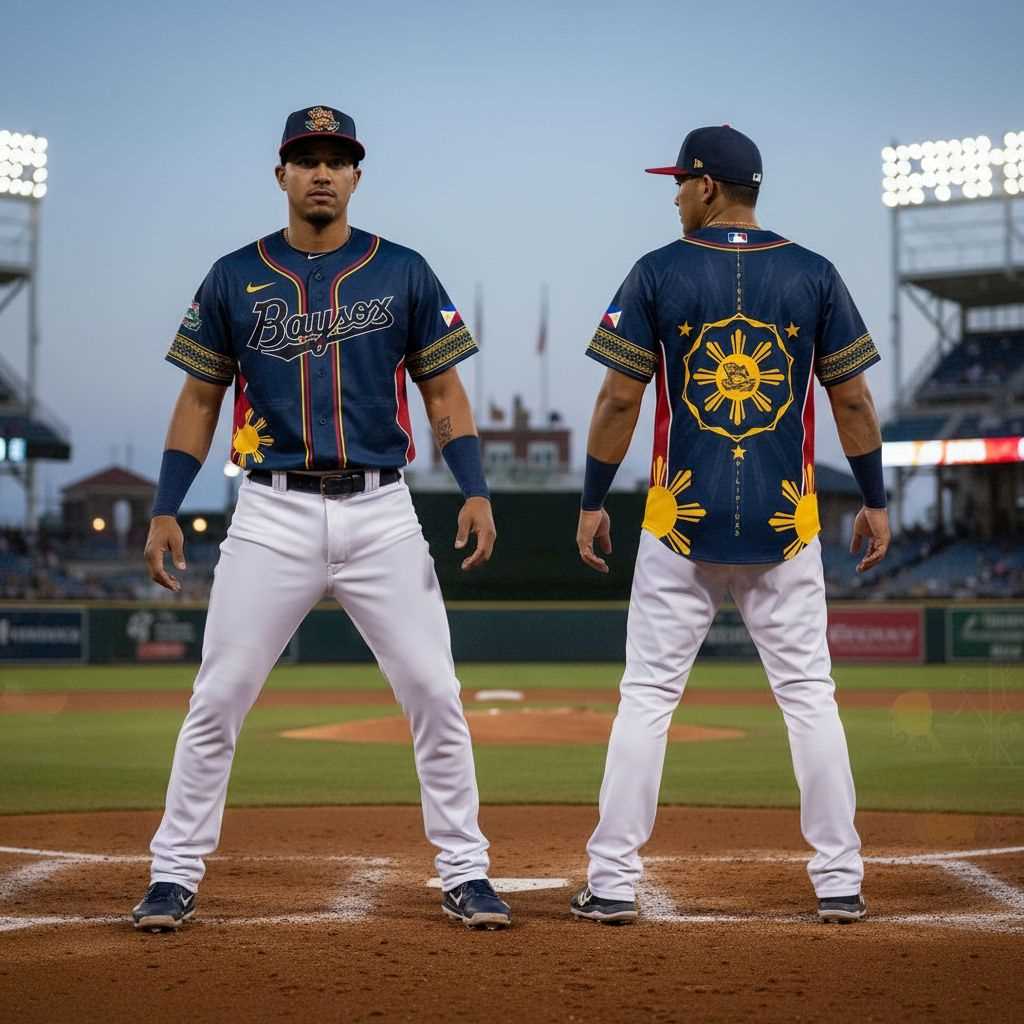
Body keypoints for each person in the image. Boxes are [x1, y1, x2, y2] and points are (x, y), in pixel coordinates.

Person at [131, 105, 511, 932]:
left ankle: (466, 871)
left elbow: (442, 392)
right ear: (282, 175)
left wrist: (475, 486)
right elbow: (199, 399)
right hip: (271, 510)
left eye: (337, 158)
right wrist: (166, 505)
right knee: (219, 696)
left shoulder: (402, 270)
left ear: (357, 176)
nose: (323, 171)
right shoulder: (234, 275)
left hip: (382, 510)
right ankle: (173, 873)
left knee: (436, 694)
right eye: (307, 158)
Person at [570, 125, 890, 926]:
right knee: (810, 698)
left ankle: (611, 883)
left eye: (681, 181)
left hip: (680, 522)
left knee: (647, 698)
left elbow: (619, 399)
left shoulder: (658, 271)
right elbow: (850, 401)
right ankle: (840, 881)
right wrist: (878, 500)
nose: (675, 193)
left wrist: (590, 499)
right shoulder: (814, 273)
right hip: (788, 525)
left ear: (708, 186)